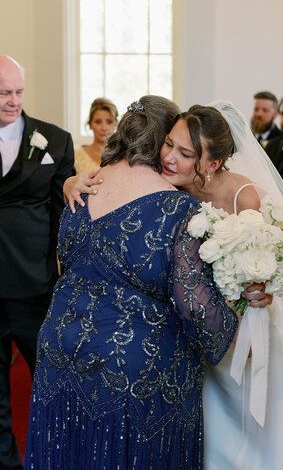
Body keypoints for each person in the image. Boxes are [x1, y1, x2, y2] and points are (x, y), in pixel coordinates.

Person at [65, 101, 283, 469]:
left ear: (213, 164)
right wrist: (72, 181)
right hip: (198, 325)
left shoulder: (244, 196)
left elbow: (279, 260)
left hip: (247, 326)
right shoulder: (170, 188)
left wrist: (260, 287)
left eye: (185, 154)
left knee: (257, 429)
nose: (168, 158)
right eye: (168, 144)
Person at [24, 96, 239, 470]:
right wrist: (237, 320)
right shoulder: (178, 207)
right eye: (171, 142)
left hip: (59, 344)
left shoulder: (83, 185)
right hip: (133, 368)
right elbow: (194, 305)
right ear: (161, 142)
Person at [0, 55, 75, 470]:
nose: (13, 102)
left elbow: (62, 219)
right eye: (3, 94)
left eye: (18, 92)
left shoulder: (55, 140)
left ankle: (54, 460)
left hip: (35, 286)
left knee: (50, 385)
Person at [74, 97, 118, 173]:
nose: (104, 128)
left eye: (109, 122)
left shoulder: (122, 157)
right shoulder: (76, 156)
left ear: (116, 124)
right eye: (98, 122)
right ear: (90, 124)